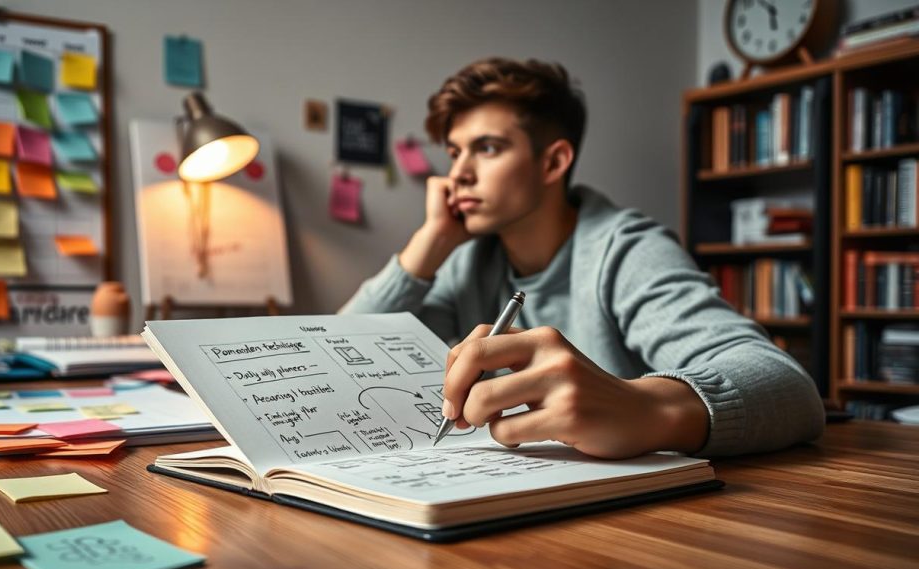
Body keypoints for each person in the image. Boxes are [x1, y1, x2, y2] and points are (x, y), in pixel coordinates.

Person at [340, 57, 824, 458]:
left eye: (487, 148)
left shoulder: (626, 249)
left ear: (553, 162)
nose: (458, 174)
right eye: (453, 152)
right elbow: (337, 352)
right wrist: (430, 242)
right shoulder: (467, 264)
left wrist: (645, 408)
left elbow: (789, 388)